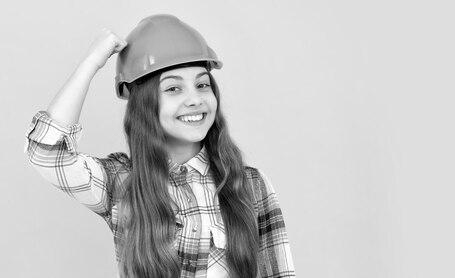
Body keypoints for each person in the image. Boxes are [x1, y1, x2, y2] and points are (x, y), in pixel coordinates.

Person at [24, 14, 296, 278]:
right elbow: (47, 153)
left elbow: (280, 273)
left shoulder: (249, 184)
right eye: (173, 89)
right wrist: (92, 62)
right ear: (144, 104)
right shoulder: (121, 182)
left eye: (202, 85)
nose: (194, 99)